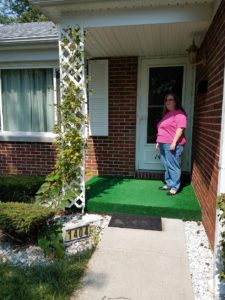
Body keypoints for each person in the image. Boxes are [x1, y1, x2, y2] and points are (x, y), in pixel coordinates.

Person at [156, 93, 187, 196]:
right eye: (166, 100)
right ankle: (169, 183)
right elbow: (161, 129)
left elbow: (180, 128)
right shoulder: (167, 115)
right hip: (163, 144)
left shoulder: (179, 114)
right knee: (167, 165)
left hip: (172, 144)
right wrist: (158, 141)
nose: (167, 102)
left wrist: (174, 142)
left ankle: (175, 187)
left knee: (173, 166)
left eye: (170, 99)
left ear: (175, 101)